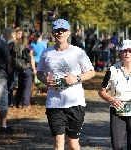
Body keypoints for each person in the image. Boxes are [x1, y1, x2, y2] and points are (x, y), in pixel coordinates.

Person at [37, 19, 95, 150]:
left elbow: (91, 72)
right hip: (54, 103)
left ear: (68, 33)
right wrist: (45, 80)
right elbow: (40, 72)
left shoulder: (78, 52)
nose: (60, 33)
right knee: (58, 143)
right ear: (52, 33)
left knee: (73, 144)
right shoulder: (47, 53)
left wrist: (76, 78)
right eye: (57, 31)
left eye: (63, 31)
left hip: (75, 102)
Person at [98, 40, 131, 150]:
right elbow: (102, 91)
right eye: (124, 51)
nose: (127, 54)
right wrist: (112, 100)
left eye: (130, 51)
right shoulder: (112, 70)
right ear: (120, 53)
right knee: (118, 147)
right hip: (117, 110)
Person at [12, 28, 36, 108]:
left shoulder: (15, 46)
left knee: (20, 86)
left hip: (19, 68)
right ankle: (25, 104)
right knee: (27, 87)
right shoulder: (28, 47)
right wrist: (34, 69)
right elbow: (31, 58)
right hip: (27, 67)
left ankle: (16, 102)